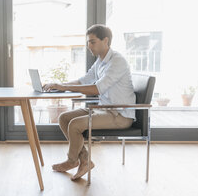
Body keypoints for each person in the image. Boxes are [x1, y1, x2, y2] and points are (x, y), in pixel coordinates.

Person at [43, 24, 136, 180]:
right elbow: (83, 81)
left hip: (120, 115)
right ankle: (84, 160)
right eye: (88, 42)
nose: (88, 46)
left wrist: (63, 87)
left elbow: (97, 89)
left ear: (105, 41)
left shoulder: (117, 61)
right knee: (64, 118)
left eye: (92, 42)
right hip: (104, 109)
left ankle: (72, 160)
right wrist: (58, 85)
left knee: (75, 125)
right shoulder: (100, 61)